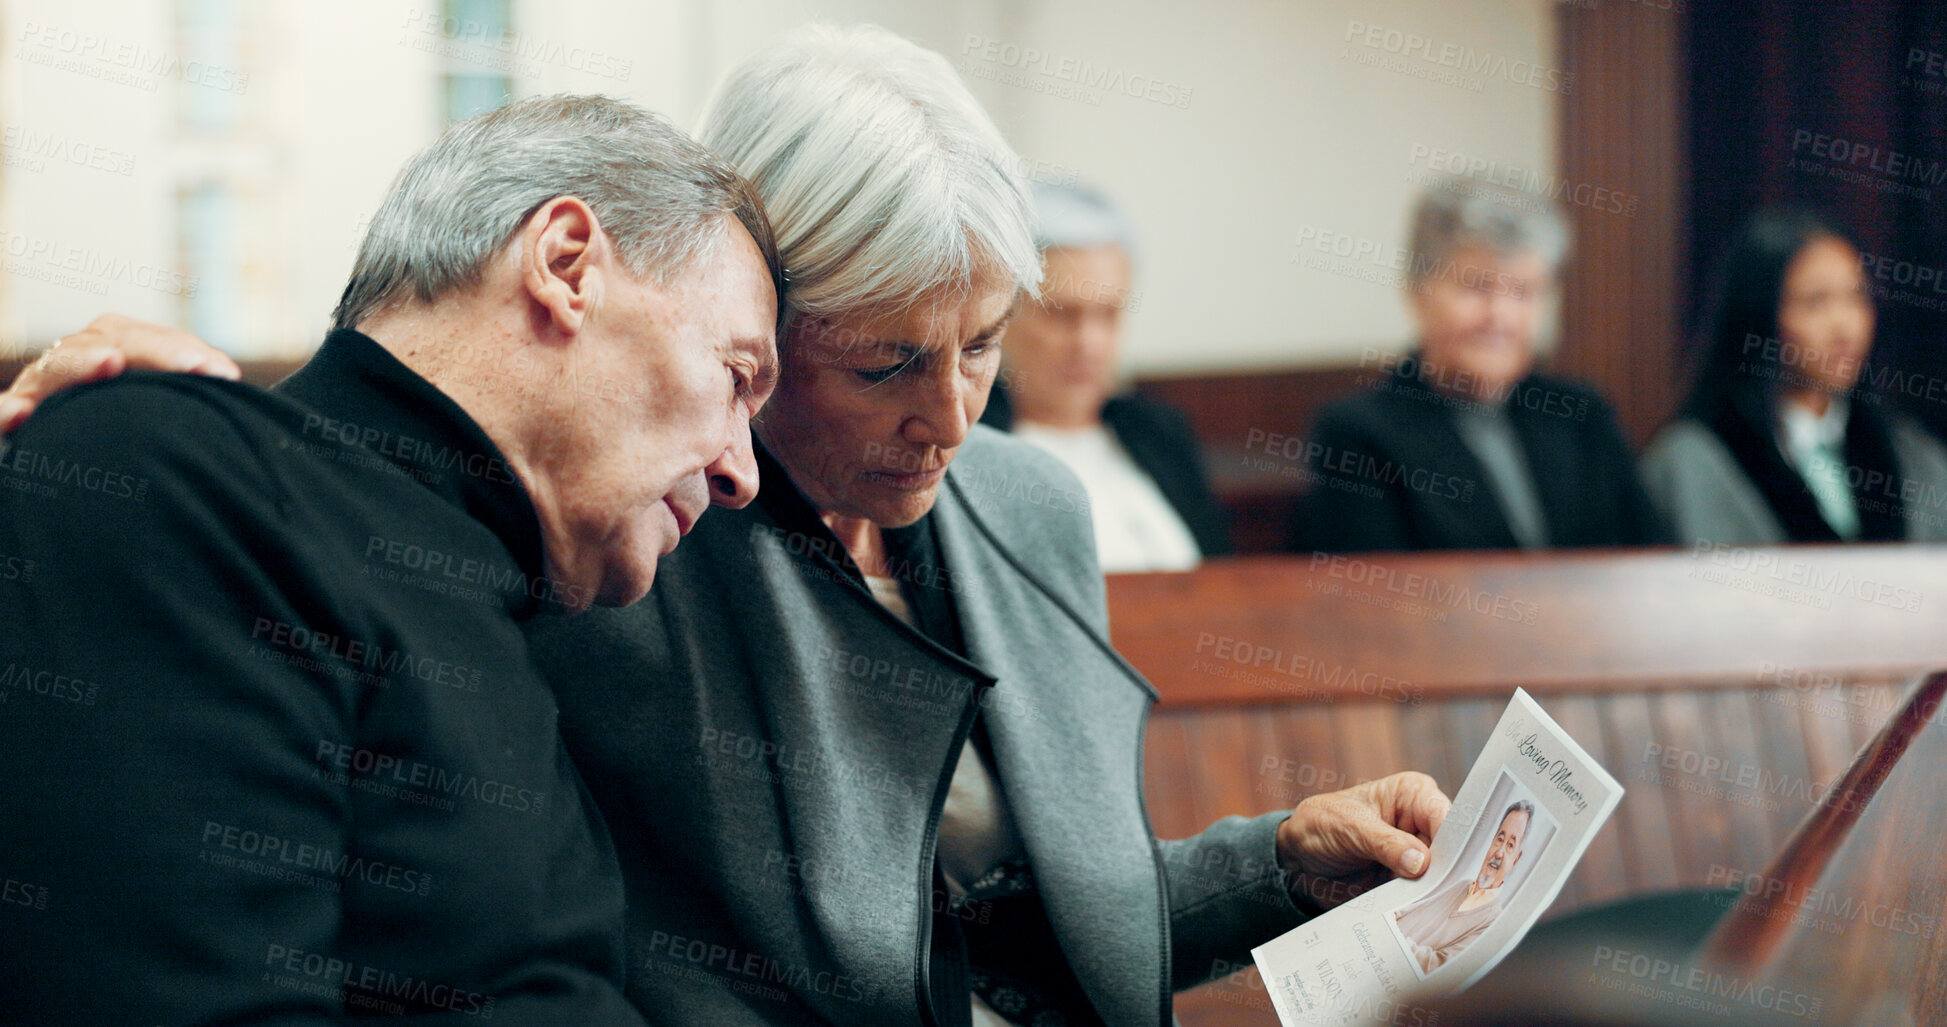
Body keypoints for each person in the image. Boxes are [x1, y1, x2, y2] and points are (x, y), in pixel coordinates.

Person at [2, 26, 1451, 1027]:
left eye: (983, 346)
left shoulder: (515, 547)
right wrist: (126, 425)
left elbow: (966, 920)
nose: (948, 417)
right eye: (778, 370)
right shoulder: (578, 554)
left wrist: (1264, 866)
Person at [0, 95, 782, 1024]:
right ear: (566, 264)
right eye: (736, 378)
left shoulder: (492, 603)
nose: (741, 474)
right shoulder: (181, 471)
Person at [1287, 179, 1665, 553]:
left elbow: (1655, 561)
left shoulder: (1581, 415)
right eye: (1476, 288)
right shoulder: (1360, 435)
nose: (1499, 316)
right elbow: (1365, 597)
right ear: (1418, 292)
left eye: (1522, 291)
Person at [1640, 208, 1947, 546]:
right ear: (1760, 316)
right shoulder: (1694, 463)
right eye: (1816, 302)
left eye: (1857, 296)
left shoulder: (1911, 457)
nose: (1845, 326)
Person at [978, 182, 1232, 571]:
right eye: (1063, 314)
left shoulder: (1158, 431)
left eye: (1108, 315)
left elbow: (1224, 579)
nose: (1089, 343)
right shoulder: (971, 442)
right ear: (1003, 317)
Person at [1391, 801, 1532, 975]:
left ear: (1516, 860)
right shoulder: (1463, 885)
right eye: (1500, 839)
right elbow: (1407, 911)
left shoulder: (1493, 924)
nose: (1499, 852)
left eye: (1510, 845)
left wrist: (1393, 939)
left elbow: (1437, 966)